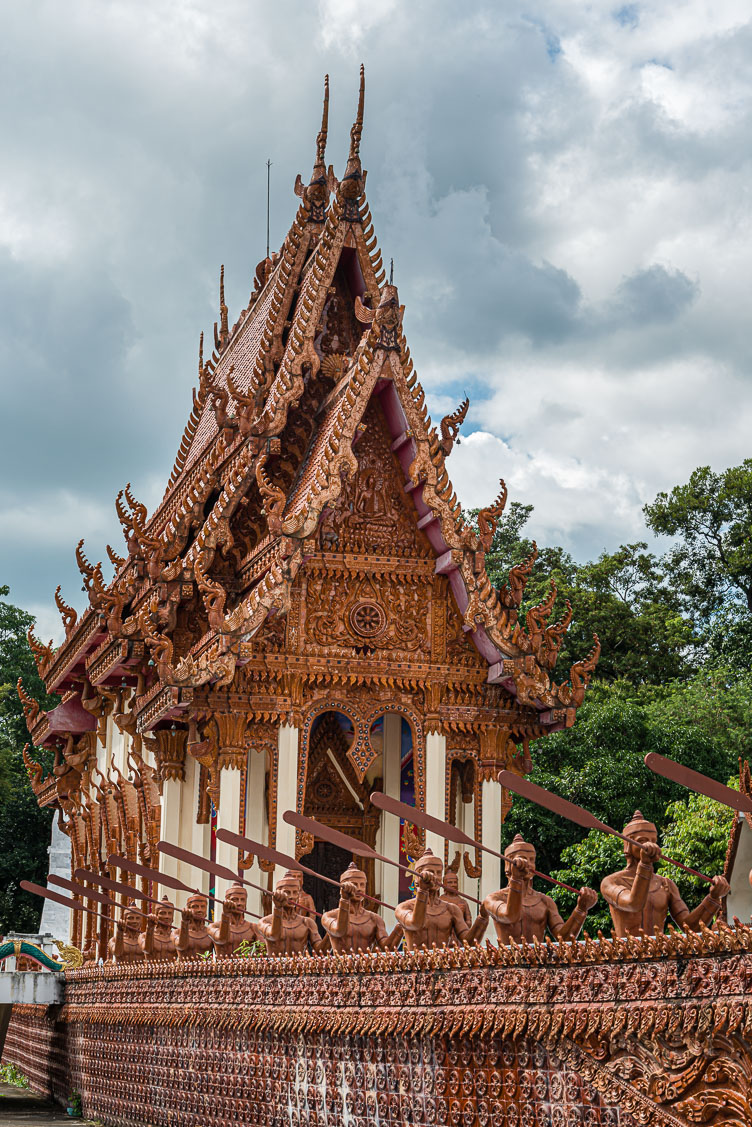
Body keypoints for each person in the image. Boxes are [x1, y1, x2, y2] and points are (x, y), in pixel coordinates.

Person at [601, 810, 729, 938]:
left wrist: (712, 898)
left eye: (653, 841)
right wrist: (645, 865)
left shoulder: (666, 884)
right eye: (642, 840)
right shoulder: (611, 882)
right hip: (627, 949)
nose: (651, 845)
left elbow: (690, 928)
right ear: (628, 845)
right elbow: (633, 904)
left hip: (659, 948)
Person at [483, 834, 597, 944]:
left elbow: (564, 939)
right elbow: (510, 916)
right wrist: (516, 879)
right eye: (523, 859)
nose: (528, 864)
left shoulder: (545, 902)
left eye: (532, 860)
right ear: (508, 865)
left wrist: (580, 910)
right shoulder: (493, 899)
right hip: (508, 957)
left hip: (539, 956)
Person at [395, 848, 489, 951]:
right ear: (418, 875)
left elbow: (469, 943)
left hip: (443, 960)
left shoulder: (451, 909)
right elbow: (415, 924)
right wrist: (423, 891)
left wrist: (482, 918)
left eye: (439, 873)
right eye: (430, 872)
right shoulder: (404, 908)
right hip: (415, 960)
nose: (435, 876)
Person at [321, 862, 393, 953]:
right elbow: (339, 932)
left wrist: (401, 925)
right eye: (354, 885)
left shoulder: (375, 919)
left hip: (366, 962)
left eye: (362, 885)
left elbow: (388, 948)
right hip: (342, 962)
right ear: (341, 889)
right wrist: (344, 900)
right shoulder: (329, 916)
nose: (359, 888)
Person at [257, 871, 327, 956]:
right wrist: (278, 908)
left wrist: (330, 933)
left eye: (295, 892)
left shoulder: (307, 923)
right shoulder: (265, 921)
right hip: (275, 964)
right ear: (278, 894)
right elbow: (274, 936)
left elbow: (321, 951)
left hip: (299, 964)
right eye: (287, 892)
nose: (291, 897)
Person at [208, 883, 260, 957]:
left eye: (242, 900)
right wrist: (225, 915)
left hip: (245, 964)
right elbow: (222, 940)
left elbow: (262, 951)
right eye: (235, 900)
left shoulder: (253, 927)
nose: (239, 903)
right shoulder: (213, 927)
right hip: (222, 964)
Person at [174, 892, 213, 958]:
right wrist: (184, 922)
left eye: (202, 907)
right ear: (188, 909)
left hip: (206, 964)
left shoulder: (210, 932)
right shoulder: (176, 933)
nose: (199, 910)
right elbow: (181, 946)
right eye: (195, 907)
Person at [139, 895, 177, 961]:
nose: (167, 916)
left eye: (169, 913)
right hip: (151, 967)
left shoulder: (176, 937)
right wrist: (150, 928)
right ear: (156, 916)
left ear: (173, 917)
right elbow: (147, 950)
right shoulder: (143, 936)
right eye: (163, 913)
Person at [439, 868, 471, 940]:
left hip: (458, 939)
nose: (453, 885)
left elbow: (469, 923)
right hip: (443, 938)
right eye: (450, 882)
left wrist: (461, 919)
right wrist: (456, 912)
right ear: (444, 884)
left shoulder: (463, 902)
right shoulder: (439, 901)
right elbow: (437, 923)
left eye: (455, 882)